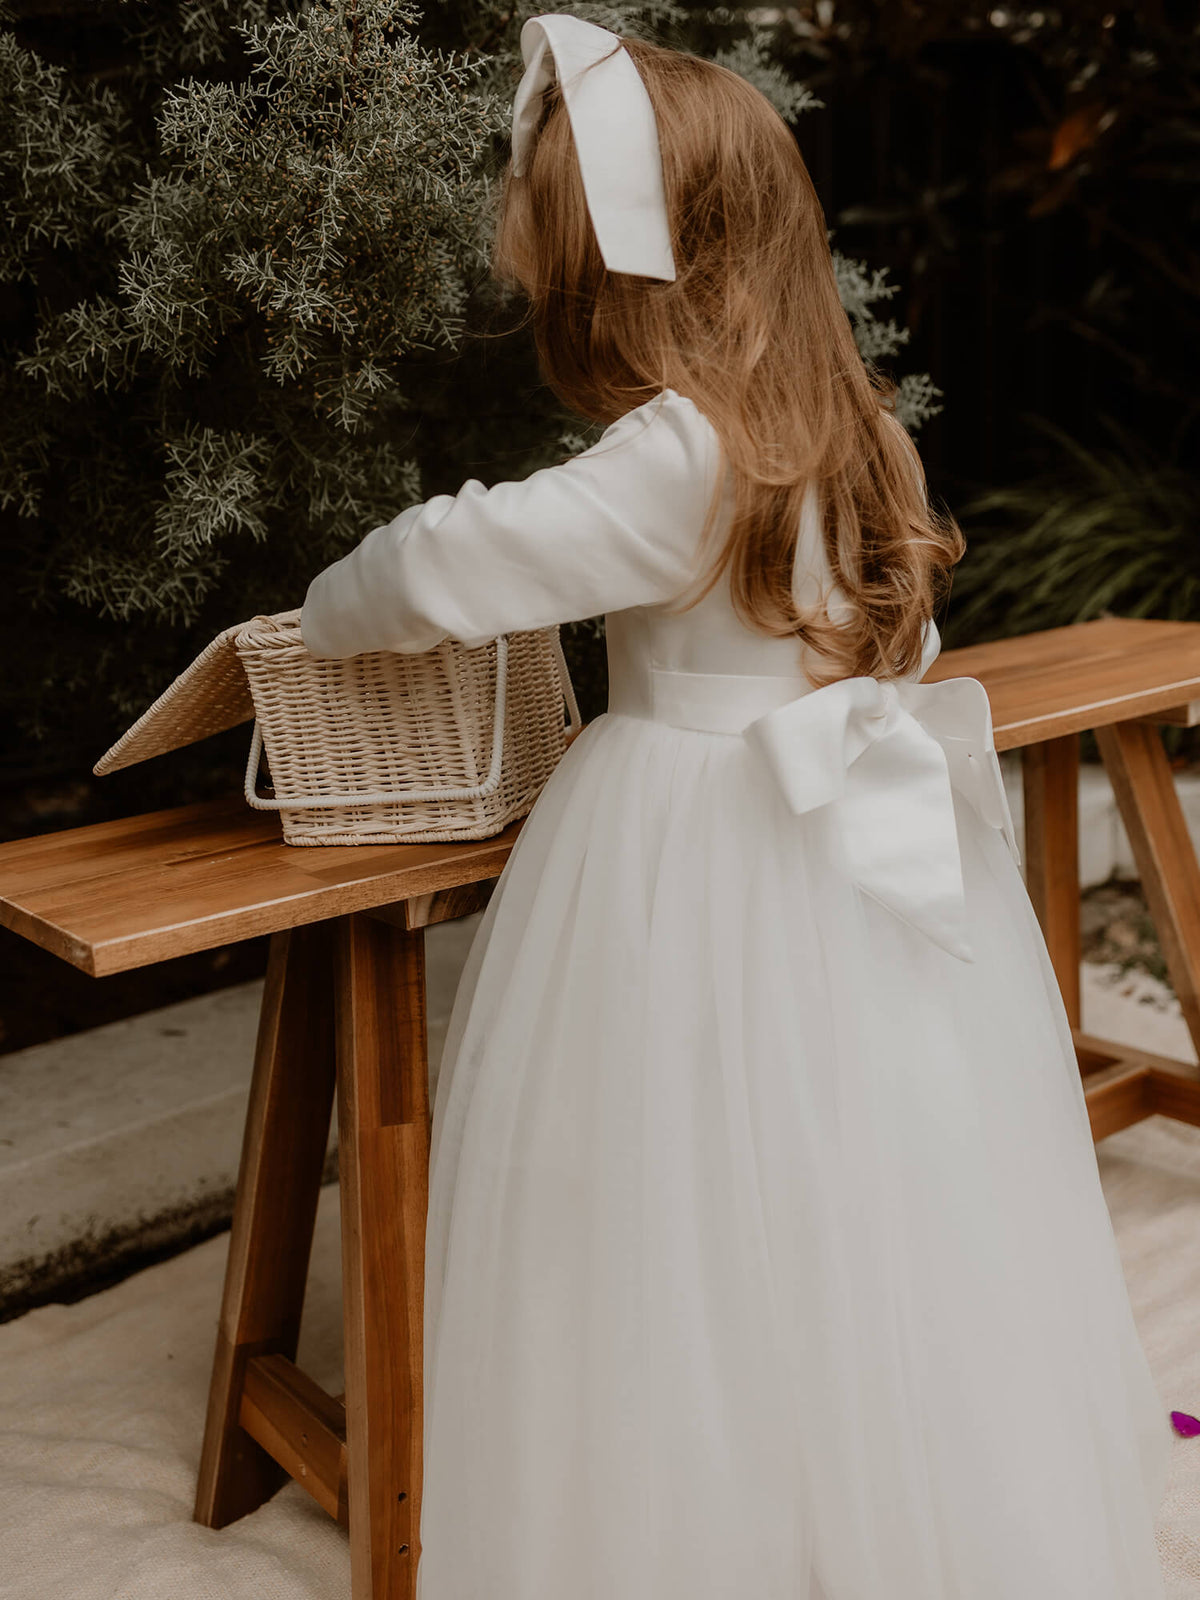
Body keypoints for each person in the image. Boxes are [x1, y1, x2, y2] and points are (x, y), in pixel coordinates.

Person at [300, 16, 1170, 1598]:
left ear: (618, 275)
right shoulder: (861, 432)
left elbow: (441, 561)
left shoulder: (668, 458)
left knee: (658, 1182)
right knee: (865, 1164)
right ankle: (869, 1481)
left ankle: (692, 1500)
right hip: (856, 839)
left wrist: (322, 611)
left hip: (683, 842)